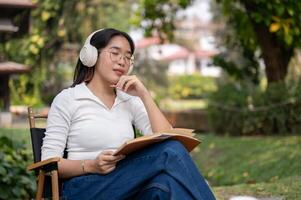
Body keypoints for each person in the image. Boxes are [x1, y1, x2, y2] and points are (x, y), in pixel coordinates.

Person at [41, 28, 216, 200]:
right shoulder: (68, 99)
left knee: (166, 184)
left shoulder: (130, 100)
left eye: (127, 56)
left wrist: (144, 94)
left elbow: (167, 137)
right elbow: (49, 163)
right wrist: (92, 165)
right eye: (115, 53)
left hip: (124, 185)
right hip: (83, 188)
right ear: (91, 56)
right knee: (171, 151)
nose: (122, 61)